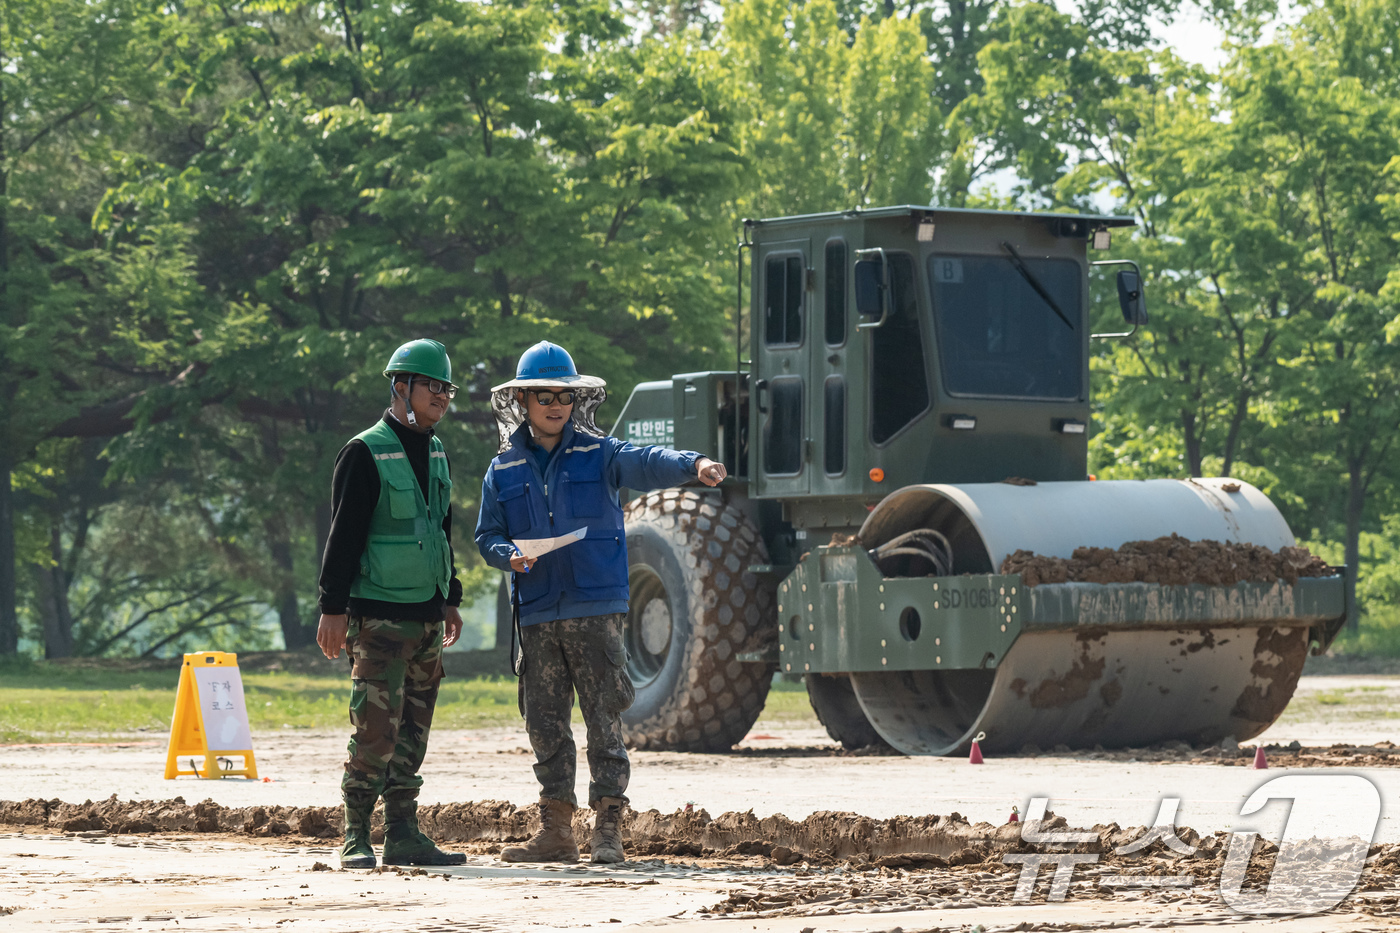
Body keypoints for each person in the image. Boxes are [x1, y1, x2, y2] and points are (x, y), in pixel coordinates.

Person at [475, 341, 726, 864]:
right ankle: (556, 832)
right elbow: (486, 537)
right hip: (538, 611)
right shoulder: (502, 470)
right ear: (522, 401)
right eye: (543, 394)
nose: (555, 403)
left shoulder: (601, 452)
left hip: (596, 609)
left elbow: (649, 460)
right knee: (544, 722)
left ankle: (607, 830)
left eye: (564, 394)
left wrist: (694, 463)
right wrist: (509, 555)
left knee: (604, 719)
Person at [316, 338, 468, 869]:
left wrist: (450, 598)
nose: (442, 397)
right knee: (375, 730)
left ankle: (403, 832)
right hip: (377, 617)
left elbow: (441, 528)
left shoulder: (438, 450)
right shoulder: (364, 451)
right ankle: (354, 833)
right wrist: (332, 608)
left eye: (447, 388)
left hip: (426, 616)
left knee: (413, 733)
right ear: (400, 386)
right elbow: (344, 535)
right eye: (433, 386)